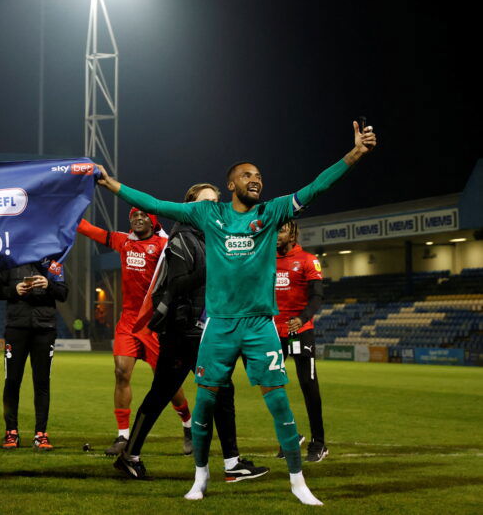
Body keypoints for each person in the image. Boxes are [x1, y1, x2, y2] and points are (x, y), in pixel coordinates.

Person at [96, 120, 376, 505]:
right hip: (220, 326)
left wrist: (355, 154)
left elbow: (316, 187)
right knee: (207, 401)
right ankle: (200, 478)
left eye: (258, 175)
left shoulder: (273, 211)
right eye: (247, 175)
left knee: (278, 400)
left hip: (260, 325)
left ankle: (298, 482)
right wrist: (114, 187)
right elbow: (157, 205)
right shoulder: (208, 215)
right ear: (231, 184)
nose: (255, 179)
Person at [114, 184, 268, 484]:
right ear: (191, 206)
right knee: (210, 391)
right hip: (186, 329)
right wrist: (219, 265)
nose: (213, 206)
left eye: (216, 201)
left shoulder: (209, 237)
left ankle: (130, 456)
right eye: (206, 201)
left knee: (177, 392)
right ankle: (232, 463)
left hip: (199, 328)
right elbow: (178, 285)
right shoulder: (182, 238)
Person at [77, 210, 193, 456]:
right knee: (121, 373)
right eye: (133, 215)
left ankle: (188, 426)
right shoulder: (123, 241)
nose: (138, 218)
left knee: (167, 383)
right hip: (129, 322)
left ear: (153, 221)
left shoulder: (164, 246)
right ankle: (123, 436)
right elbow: (90, 230)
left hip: (155, 324)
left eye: (143, 215)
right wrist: (67, 213)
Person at [0, 259, 68, 451]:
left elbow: (63, 293)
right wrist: (14, 289)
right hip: (16, 328)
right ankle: (11, 432)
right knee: (12, 381)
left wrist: (48, 284)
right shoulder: (11, 262)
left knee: (42, 382)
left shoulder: (54, 265)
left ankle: (41, 434)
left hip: (45, 329)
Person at [275, 219, 327, 462]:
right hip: (273, 332)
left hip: (300, 331)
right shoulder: (266, 259)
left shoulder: (307, 259)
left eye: (282, 230)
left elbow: (317, 296)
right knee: (273, 387)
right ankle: (290, 437)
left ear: (292, 234)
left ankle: (319, 443)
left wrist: (302, 317)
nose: (276, 234)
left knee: (308, 385)